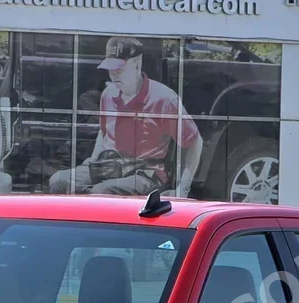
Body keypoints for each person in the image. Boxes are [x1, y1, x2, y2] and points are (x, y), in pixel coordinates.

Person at [49, 37, 203, 197]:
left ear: (137, 63)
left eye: (119, 69)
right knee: (59, 181)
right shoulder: (108, 94)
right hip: (108, 166)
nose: (114, 75)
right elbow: (103, 134)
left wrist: (182, 188)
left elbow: (194, 142)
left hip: (146, 173)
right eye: (110, 69)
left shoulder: (164, 99)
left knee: (100, 192)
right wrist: (93, 160)